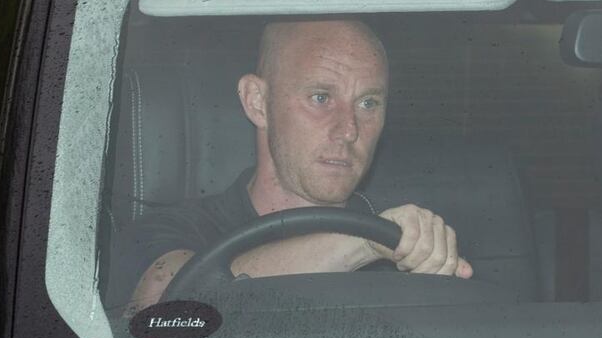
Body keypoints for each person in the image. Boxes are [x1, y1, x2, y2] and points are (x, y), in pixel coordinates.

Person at [112, 20, 473, 316]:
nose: (349, 130)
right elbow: (165, 305)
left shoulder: (412, 242)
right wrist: (365, 241)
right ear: (257, 102)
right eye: (321, 98)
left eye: (367, 103)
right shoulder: (171, 230)